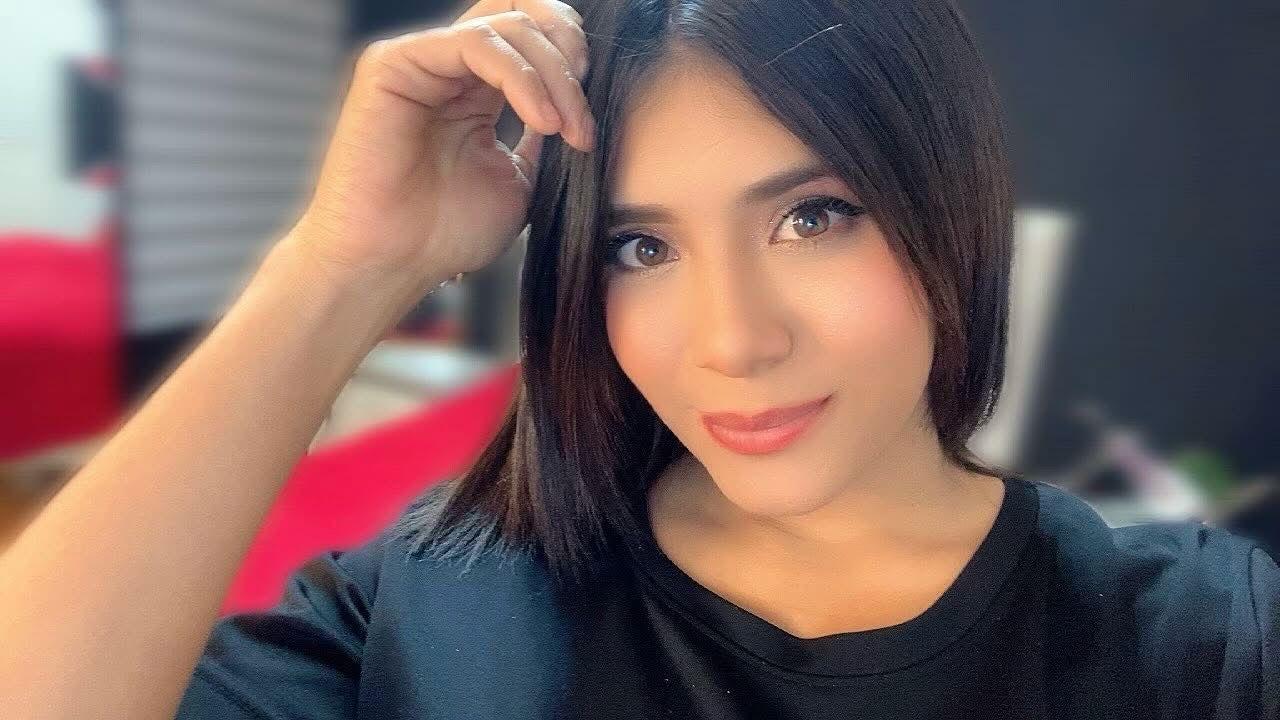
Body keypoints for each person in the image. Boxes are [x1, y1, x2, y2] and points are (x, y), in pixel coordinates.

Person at [0, 0, 1275, 717]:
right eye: (639, 247)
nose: (731, 341)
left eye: (812, 217)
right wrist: (339, 267)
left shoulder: (1197, 640)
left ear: (944, 207)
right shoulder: (443, 608)